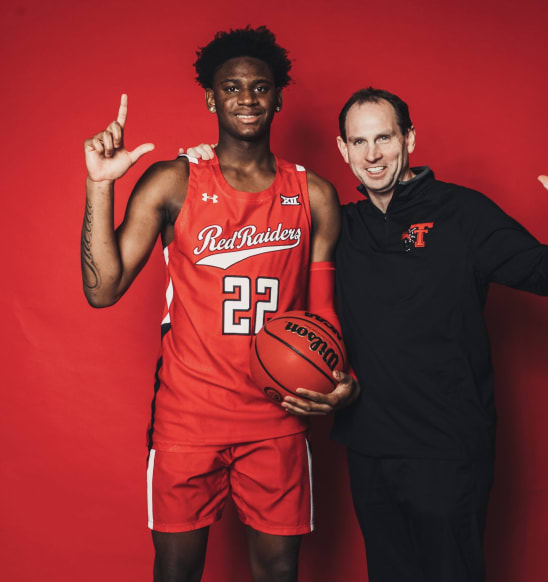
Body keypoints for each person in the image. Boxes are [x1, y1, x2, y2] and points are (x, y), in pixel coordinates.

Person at [284, 87, 548, 581]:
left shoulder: (463, 213)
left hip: (450, 449)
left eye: (385, 137)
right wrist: (204, 160)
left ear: (410, 137)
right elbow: (254, 213)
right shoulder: (340, 225)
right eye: (359, 141)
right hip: (371, 448)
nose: (372, 154)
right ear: (343, 149)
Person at [80, 26, 357, 582]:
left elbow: (323, 313)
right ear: (211, 97)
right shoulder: (172, 182)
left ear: (279, 96)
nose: (247, 99)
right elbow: (101, 289)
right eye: (232, 87)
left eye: (260, 87)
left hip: (277, 418)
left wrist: (338, 379)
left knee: (279, 573)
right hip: (187, 418)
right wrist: (99, 185)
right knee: (176, 572)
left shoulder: (315, 195)